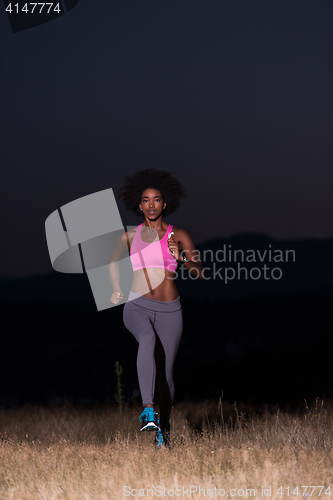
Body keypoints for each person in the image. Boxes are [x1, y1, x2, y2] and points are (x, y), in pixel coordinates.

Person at [109, 168, 204, 448]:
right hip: (136, 304)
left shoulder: (179, 234)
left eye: (157, 200)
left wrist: (181, 258)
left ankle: (164, 428)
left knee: (166, 376)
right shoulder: (128, 237)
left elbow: (199, 271)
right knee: (146, 339)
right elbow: (113, 261)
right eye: (146, 200)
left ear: (165, 204)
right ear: (139, 205)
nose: (151, 205)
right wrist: (115, 287)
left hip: (170, 311)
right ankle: (148, 409)